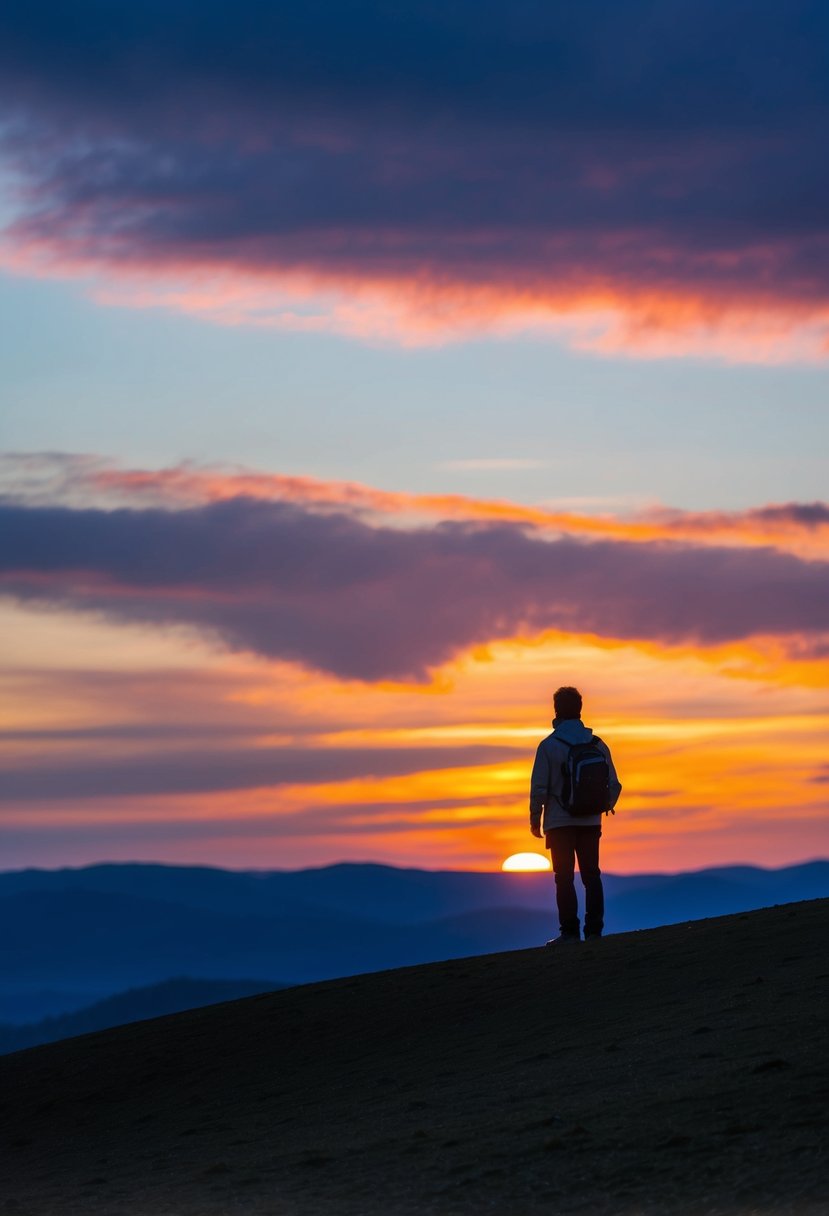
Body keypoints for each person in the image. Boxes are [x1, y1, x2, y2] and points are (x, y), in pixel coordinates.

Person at [529, 686, 621, 944]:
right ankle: (594, 932)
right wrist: (601, 806)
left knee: (564, 878)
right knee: (592, 875)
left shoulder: (549, 745)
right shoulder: (598, 744)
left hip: (559, 822)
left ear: (556, 710)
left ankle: (569, 932)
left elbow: (539, 788)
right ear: (580, 709)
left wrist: (535, 819)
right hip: (590, 820)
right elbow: (615, 785)